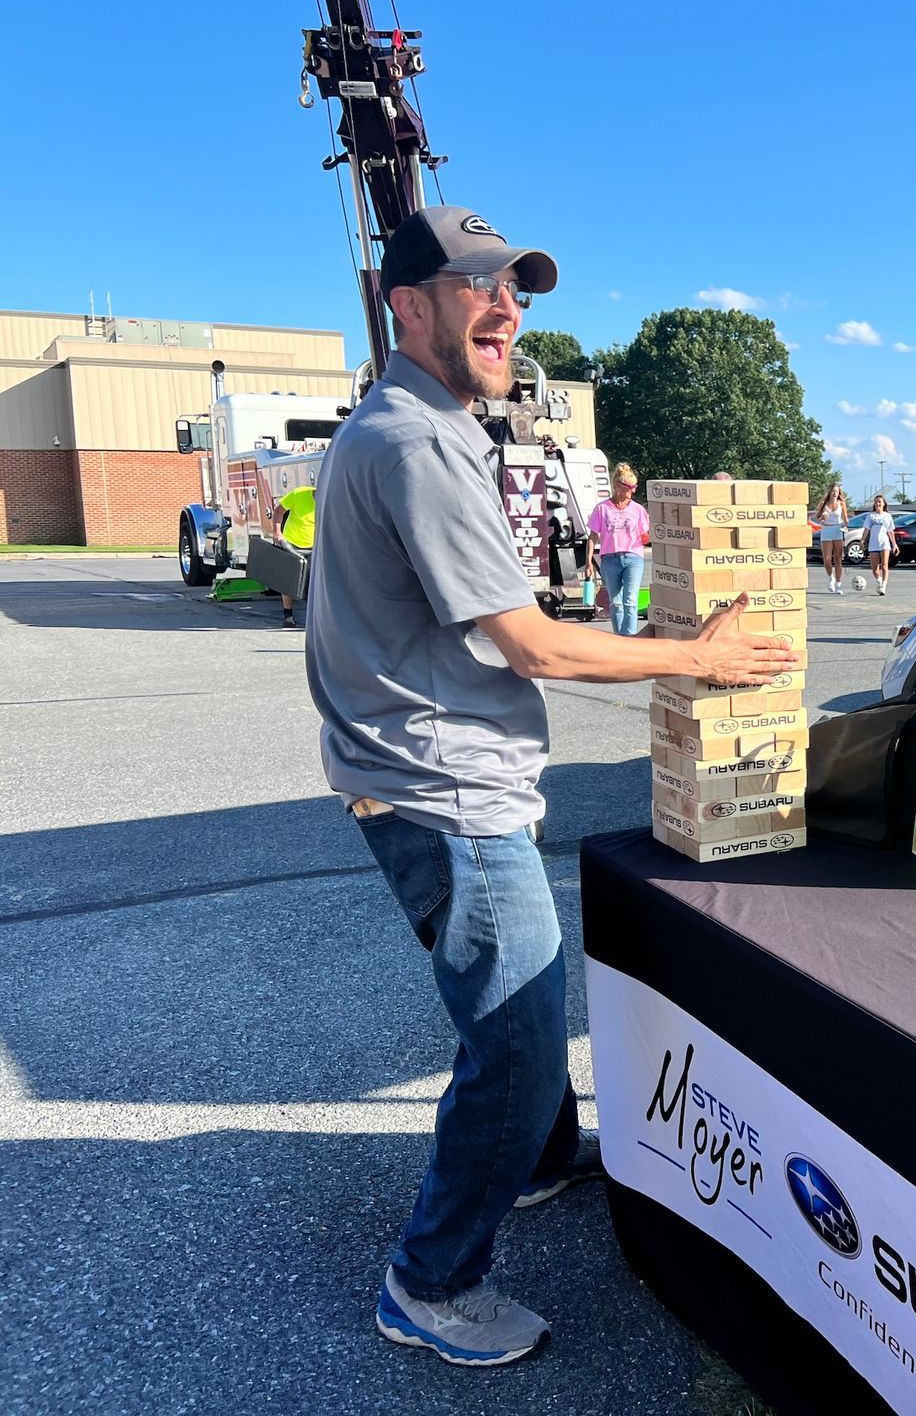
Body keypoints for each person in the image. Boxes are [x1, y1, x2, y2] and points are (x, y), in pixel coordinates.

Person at [305, 205, 796, 1368]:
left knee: (505, 1027)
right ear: (406, 303)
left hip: (406, 771)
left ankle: (533, 1159)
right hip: (447, 791)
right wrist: (701, 657)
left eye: (515, 290)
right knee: (520, 1048)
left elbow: (474, 619)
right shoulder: (418, 442)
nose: (505, 307)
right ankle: (429, 1283)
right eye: (476, 285)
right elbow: (534, 648)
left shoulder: (413, 427)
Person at [587, 463, 650, 635]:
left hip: (633, 557)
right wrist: (589, 563)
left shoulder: (637, 509)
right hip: (610, 558)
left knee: (630, 600)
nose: (631, 492)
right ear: (617, 487)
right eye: (628, 489)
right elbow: (593, 536)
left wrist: (647, 537)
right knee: (616, 602)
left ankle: (629, 637)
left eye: (634, 488)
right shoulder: (602, 508)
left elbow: (646, 535)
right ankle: (619, 638)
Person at [271, 483, 316, 629]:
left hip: (314, 546)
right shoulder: (299, 494)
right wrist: (277, 533)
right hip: (292, 543)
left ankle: (314, 616)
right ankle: (288, 614)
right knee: (290, 579)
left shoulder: (329, 501)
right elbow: (278, 511)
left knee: (314, 581)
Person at [815, 482, 851, 594]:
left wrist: (845, 526)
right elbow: (818, 519)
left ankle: (839, 584)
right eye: (833, 491)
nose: (835, 493)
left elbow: (845, 519)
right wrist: (822, 517)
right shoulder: (824, 503)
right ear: (830, 492)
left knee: (838, 559)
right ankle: (831, 577)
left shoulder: (841, 503)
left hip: (837, 530)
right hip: (826, 530)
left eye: (837, 491)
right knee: (826, 559)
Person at [860, 494, 898, 596]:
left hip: (884, 543)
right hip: (873, 543)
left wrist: (894, 544)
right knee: (874, 568)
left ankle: (883, 586)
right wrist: (862, 540)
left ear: (884, 503)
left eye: (880, 502)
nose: (878, 503)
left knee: (884, 566)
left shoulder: (887, 516)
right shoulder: (870, 516)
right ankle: (879, 580)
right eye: (876, 502)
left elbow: (890, 531)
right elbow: (866, 529)